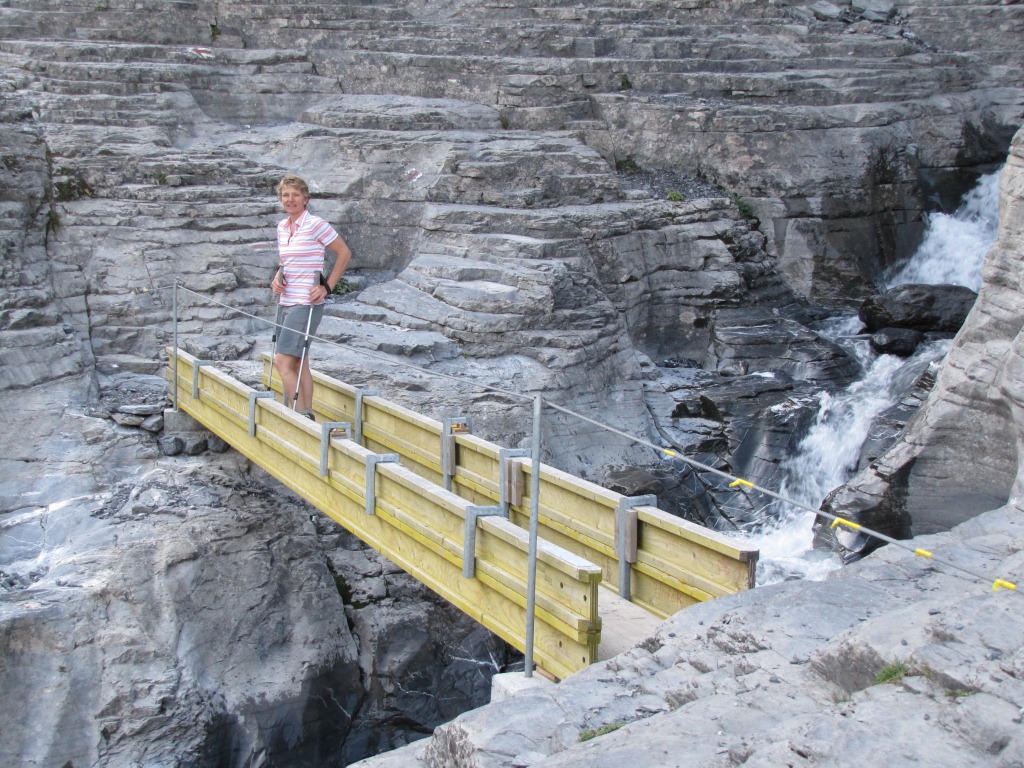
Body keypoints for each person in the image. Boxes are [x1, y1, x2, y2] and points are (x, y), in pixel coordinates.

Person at [270, 174, 351, 420]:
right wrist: (277, 278)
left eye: (295, 195)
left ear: (305, 198)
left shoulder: (315, 224)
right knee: (299, 361)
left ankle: (297, 415)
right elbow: (287, 261)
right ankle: (307, 413)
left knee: (283, 363)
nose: (290, 199)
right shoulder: (283, 227)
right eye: (286, 195)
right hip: (286, 301)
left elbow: (344, 253)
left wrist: (327, 287)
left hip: (305, 304)